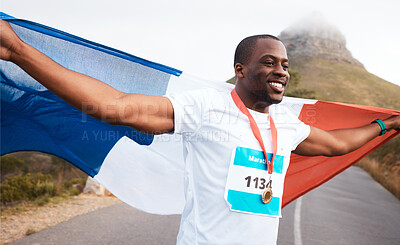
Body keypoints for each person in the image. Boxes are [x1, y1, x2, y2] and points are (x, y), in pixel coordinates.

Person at [1, 20, 399, 244]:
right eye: (269, 62)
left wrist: (387, 124)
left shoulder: (287, 125)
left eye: (286, 64)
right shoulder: (207, 107)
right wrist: (18, 51)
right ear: (240, 70)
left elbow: (336, 145)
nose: (282, 70)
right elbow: (117, 107)